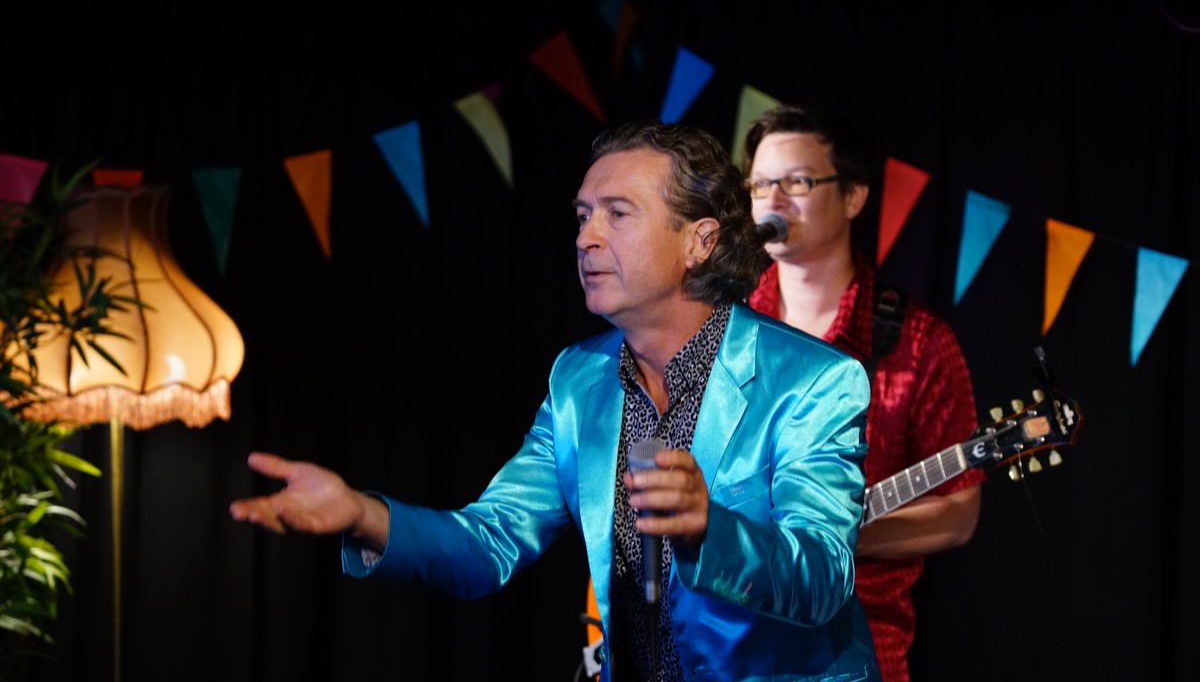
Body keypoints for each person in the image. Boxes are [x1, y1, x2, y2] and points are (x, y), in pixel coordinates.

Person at [230, 119, 882, 682]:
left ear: (700, 241)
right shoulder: (580, 380)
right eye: (582, 215)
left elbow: (823, 578)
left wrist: (709, 530)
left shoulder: (813, 380)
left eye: (617, 214)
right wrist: (361, 514)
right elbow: (489, 542)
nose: (586, 237)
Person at [741, 104, 984, 682]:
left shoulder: (919, 343)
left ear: (853, 197)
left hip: (854, 652)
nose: (773, 201)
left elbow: (960, 513)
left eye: (798, 182)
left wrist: (838, 534)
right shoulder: (724, 325)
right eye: (760, 184)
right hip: (727, 648)